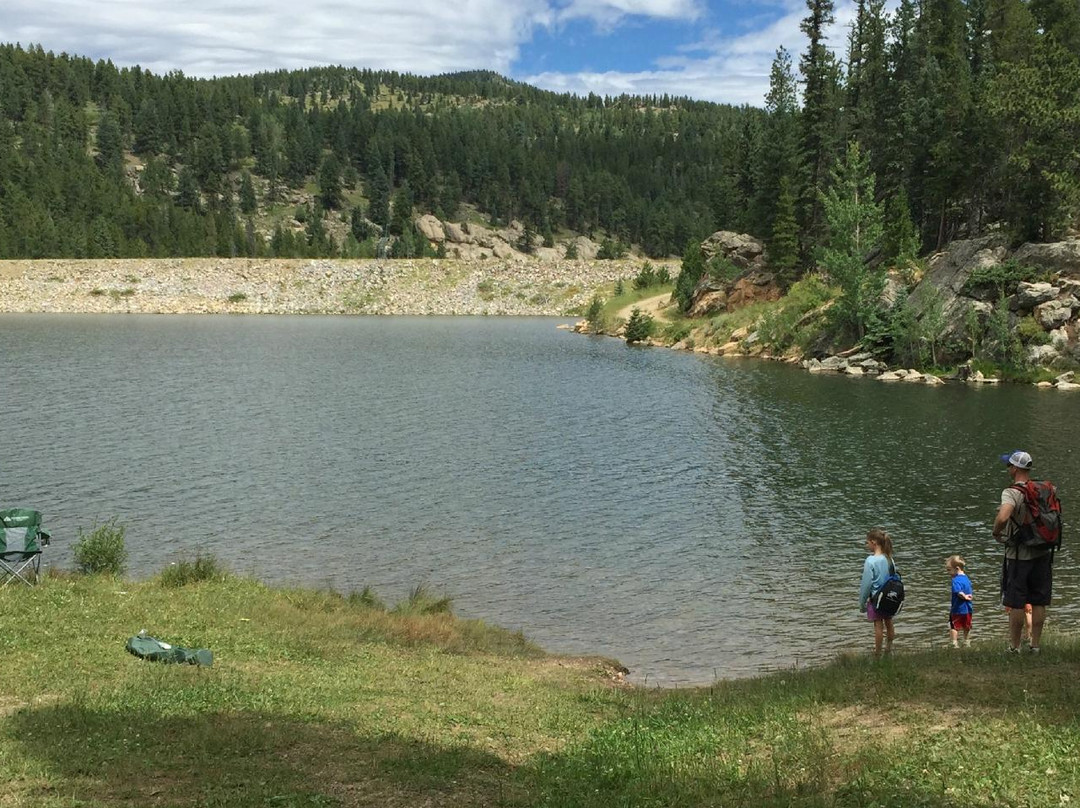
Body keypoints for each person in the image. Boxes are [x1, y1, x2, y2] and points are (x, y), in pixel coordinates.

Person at [993, 450, 1051, 654]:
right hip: (1043, 551)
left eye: (1009, 465)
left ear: (1015, 468)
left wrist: (996, 532)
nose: (1008, 469)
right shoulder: (1042, 489)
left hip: (1019, 554)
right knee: (1039, 600)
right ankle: (1035, 646)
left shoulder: (1012, 492)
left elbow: (1003, 517)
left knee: (1016, 601)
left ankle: (1014, 647)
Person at [859, 528, 896, 656]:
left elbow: (866, 584)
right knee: (889, 622)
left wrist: (862, 602)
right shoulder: (889, 559)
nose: (867, 545)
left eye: (867, 542)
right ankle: (889, 649)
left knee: (878, 625)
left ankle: (877, 654)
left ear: (874, 543)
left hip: (876, 598)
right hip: (890, 597)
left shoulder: (870, 561)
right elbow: (894, 577)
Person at [946, 555, 973, 648]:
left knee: (953, 627)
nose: (948, 572)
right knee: (967, 626)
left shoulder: (955, 580)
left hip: (957, 609)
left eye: (949, 570)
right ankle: (967, 642)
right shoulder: (966, 579)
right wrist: (968, 596)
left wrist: (964, 596)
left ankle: (954, 643)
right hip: (968, 609)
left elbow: (959, 592)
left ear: (957, 568)